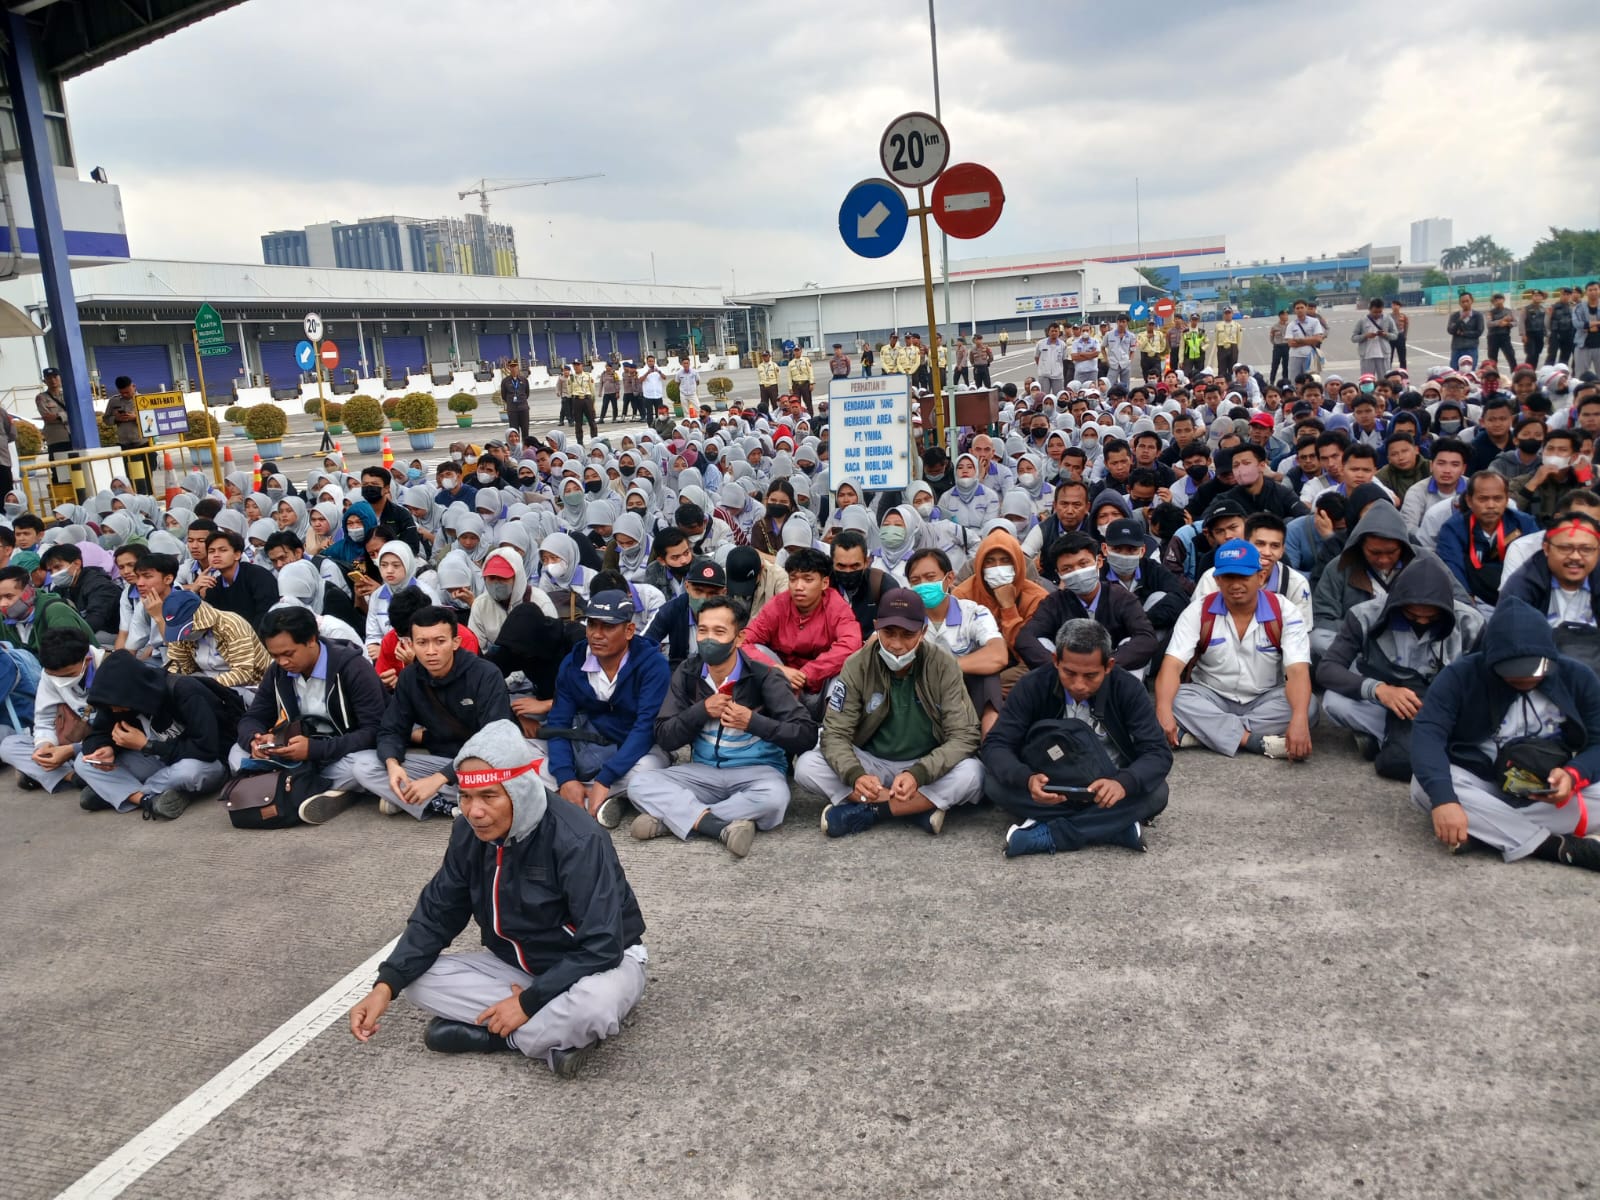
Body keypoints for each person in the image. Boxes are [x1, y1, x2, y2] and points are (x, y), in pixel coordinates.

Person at [348, 720, 647, 1077]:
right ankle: (553, 1036)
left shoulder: (579, 839)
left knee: (594, 1007)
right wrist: (385, 986)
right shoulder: (467, 833)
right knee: (415, 980)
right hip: (519, 965)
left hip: (602, 965)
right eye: (466, 796)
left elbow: (603, 944)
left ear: (519, 790)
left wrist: (526, 1002)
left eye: (489, 796)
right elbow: (436, 914)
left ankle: (498, 1037)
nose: (474, 811)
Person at [1408, 597, 1600, 872]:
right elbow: (1427, 734)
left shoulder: (1578, 677)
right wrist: (1446, 800)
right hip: (1482, 783)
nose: (1524, 679)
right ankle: (1557, 848)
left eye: (1534, 670)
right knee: (1423, 787)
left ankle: (1487, 832)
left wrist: (1573, 775)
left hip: (1547, 790)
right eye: (1512, 673)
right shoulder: (1460, 676)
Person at [629, 596, 818, 857]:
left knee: (776, 798)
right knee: (639, 784)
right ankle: (723, 825)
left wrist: (753, 722)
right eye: (703, 630)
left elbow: (805, 735)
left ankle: (672, 820)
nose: (708, 639)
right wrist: (701, 711)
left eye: (719, 632)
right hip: (703, 772)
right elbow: (664, 736)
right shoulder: (687, 672)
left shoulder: (764, 676)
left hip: (758, 773)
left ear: (739, 638)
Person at [796, 588, 984, 837]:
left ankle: (873, 811)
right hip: (871, 762)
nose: (896, 644)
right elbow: (835, 732)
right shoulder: (857, 665)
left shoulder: (943, 665)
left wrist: (920, 773)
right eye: (888, 633)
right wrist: (855, 775)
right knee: (807, 766)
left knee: (974, 773)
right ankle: (916, 808)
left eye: (908, 635)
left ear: (924, 631)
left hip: (926, 763)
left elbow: (964, 735)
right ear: (876, 627)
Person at [984, 620, 1173, 858]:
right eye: (1069, 673)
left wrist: (1124, 783)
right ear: (1055, 661)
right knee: (992, 783)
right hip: (1049, 789)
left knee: (1157, 793)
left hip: (1107, 790)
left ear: (1109, 666)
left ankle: (1049, 834)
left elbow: (1158, 752)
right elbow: (996, 745)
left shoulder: (1128, 689)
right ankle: (1113, 826)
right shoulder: (1031, 685)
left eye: (1090, 675)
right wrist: (1027, 779)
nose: (1079, 685)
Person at [1317, 557, 1485, 778]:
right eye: (1412, 616)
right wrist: (1380, 690)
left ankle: (1387, 740)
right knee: (1334, 701)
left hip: (1443, 705)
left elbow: (1482, 682)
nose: (1422, 622)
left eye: (1432, 617)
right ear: (1396, 602)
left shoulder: (1470, 622)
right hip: (1387, 700)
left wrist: (1445, 706)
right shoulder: (1364, 615)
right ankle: (1407, 740)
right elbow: (1327, 669)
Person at [1154, 539, 1315, 760]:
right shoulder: (1198, 611)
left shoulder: (1285, 612)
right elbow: (1171, 666)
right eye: (1228, 577)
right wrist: (1163, 712)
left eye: (1243, 577)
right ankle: (1251, 740)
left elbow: (1297, 670)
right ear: (1217, 580)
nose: (1235, 584)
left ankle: (1203, 735)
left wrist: (1299, 720)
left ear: (1260, 578)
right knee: (1173, 699)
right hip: (1211, 696)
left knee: (1308, 708)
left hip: (1266, 697)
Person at [350, 604, 513, 819]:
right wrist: (392, 764)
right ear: (411, 644)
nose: (431, 651)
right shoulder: (410, 677)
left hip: (482, 764)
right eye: (422, 642)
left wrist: (438, 779)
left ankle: (418, 798)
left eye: (440, 641)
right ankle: (439, 802)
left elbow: (495, 741)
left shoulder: (485, 674)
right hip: (442, 760)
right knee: (364, 765)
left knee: (503, 781)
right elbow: (391, 729)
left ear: (456, 643)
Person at [235, 607, 388, 825]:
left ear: (311, 640)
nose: (282, 662)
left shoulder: (353, 667)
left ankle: (306, 788)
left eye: (288, 654)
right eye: (274, 655)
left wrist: (314, 750)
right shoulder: (277, 671)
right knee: (236, 753)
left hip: (341, 753)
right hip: (295, 754)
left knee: (365, 767)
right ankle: (330, 790)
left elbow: (374, 730)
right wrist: (255, 739)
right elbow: (253, 717)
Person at [531, 590, 670, 830]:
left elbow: (645, 728)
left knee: (650, 770)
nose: (596, 634)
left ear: (629, 631)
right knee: (520, 751)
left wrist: (606, 778)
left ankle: (575, 798)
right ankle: (596, 797)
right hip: (586, 745)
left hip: (632, 751)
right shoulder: (573, 662)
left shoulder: (653, 665)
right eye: (592, 624)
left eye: (608, 627)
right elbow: (558, 724)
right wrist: (565, 777)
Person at [74, 649, 233, 818]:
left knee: (189, 772)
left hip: (206, 763)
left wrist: (147, 745)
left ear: (133, 691)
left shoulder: (184, 691)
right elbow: (96, 734)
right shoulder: (116, 701)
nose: (114, 710)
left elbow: (206, 749)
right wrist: (105, 748)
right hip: (159, 763)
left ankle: (118, 792)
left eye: (116, 705)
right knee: (82, 762)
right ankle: (146, 799)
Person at [741, 546, 862, 715]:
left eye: (807, 579)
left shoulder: (836, 606)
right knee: (755, 653)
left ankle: (831, 730)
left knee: (846, 672)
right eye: (793, 579)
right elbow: (743, 641)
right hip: (782, 683)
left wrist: (807, 674)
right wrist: (776, 669)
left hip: (821, 684)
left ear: (824, 583)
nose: (798, 586)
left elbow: (851, 645)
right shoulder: (779, 604)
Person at [1017, 533, 1159, 676]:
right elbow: (1026, 638)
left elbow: (1146, 638)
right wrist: (1060, 667)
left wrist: (1105, 665)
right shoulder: (1054, 602)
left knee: (1130, 642)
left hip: (1113, 671)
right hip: (1066, 674)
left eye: (1083, 563)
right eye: (1067, 569)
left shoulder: (1122, 597)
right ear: (1059, 574)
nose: (1077, 572)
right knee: (1041, 642)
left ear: (1099, 562)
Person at [0, 625, 100, 793]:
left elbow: (117, 732)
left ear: (87, 661)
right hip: (69, 741)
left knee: (95, 758)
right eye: (54, 676)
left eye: (68, 675)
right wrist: (45, 746)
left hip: (102, 745)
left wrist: (71, 750)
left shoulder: (109, 669)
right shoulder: (50, 673)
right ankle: (75, 779)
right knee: (9, 746)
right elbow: (44, 719)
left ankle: (60, 774)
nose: (60, 681)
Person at [1498, 513, 1600, 671]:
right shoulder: (1522, 584)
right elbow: (1510, 642)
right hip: (1540, 669)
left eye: (1586, 549)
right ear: (1546, 548)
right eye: (1565, 548)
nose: (1575, 556)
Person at [1436, 470, 1539, 612]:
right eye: (1483, 499)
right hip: (1473, 601)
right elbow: (1452, 570)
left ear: (1507, 499)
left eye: (1498, 498)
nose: (1491, 505)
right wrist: (1468, 604)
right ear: (1469, 501)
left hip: (1519, 599)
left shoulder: (1524, 523)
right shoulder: (1453, 528)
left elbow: (1537, 565)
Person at [157, 586, 269, 694]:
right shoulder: (179, 636)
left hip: (248, 685)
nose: (186, 635)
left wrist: (206, 686)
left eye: (188, 629)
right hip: (203, 681)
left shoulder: (231, 624)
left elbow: (243, 671)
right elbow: (177, 664)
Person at [193, 528, 279, 629]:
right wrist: (194, 590)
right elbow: (206, 622)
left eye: (223, 550)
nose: (216, 555)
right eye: (211, 551)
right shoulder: (214, 586)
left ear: (237, 555)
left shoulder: (257, 576)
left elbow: (266, 615)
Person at [38, 543, 120, 642]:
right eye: (50, 571)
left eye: (58, 567)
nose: (54, 574)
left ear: (77, 564)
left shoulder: (100, 586)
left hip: (108, 635)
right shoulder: (61, 588)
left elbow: (94, 623)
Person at [102, 375, 153, 495]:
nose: (125, 395)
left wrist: (136, 417)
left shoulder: (143, 399)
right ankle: (132, 498)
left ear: (133, 386)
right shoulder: (114, 401)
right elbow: (106, 419)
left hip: (142, 444)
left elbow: (152, 420)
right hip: (124, 445)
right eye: (122, 393)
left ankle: (149, 498)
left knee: (146, 476)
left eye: (127, 392)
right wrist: (116, 418)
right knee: (129, 477)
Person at [35, 367, 73, 488]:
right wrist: (66, 415)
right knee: (58, 472)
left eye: (55, 377)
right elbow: (47, 417)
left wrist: (57, 416)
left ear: (60, 378)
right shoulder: (42, 398)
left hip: (72, 437)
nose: (53, 380)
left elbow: (77, 413)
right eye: (49, 378)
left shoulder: (68, 395)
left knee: (75, 470)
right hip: (56, 439)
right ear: (44, 381)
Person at [1284, 300, 1325, 380]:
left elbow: (1318, 339)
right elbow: (1291, 343)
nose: (1300, 310)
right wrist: (1310, 340)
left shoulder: (1315, 322)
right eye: (1297, 308)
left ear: (1306, 308)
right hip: (1295, 356)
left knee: (1312, 380)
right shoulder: (1291, 325)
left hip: (1310, 356)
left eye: (1302, 307)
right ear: (1294, 310)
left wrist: (1299, 340)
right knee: (1294, 380)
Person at [1446, 292, 1484, 369]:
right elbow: (1450, 330)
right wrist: (1460, 319)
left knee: (1469, 371)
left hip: (1471, 347)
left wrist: (1463, 333)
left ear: (1472, 301)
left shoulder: (1477, 316)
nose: (1465, 304)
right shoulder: (1455, 316)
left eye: (1467, 301)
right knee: (1454, 371)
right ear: (1459, 303)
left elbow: (1479, 332)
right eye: (1463, 302)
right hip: (1457, 348)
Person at [1034, 323, 1067, 395]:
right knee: (1044, 396)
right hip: (1044, 375)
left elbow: (1064, 359)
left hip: (1058, 375)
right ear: (1048, 332)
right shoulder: (1040, 343)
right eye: (1052, 331)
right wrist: (1042, 367)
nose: (1054, 333)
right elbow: (1037, 357)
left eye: (1056, 331)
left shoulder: (1063, 345)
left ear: (1059, 333)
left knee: (1058, 396)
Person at [501, 359, 530, 441]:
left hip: (523, 408)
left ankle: (525, 447)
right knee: (514, 431)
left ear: (518, 367)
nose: (514, 369)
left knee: (525, 429)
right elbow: (504, 395)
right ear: (509, 368)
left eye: (515, 366)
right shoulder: (505, 381)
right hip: (512, 409)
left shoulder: (524, 380)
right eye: (512, 367)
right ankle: (516, 448)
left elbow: (527, 393)